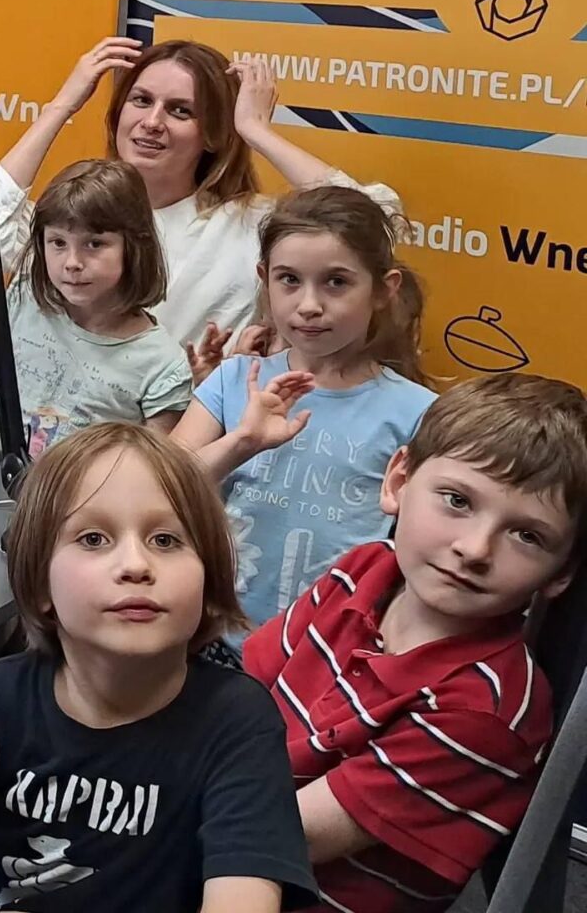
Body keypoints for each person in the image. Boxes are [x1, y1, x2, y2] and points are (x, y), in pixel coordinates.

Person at [0, 422, 317, 913]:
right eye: (94, 538)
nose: (136, 565)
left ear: (209, 581)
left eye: (166, 540)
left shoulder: (236, 721)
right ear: (41, 585)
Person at [244, 374, 587, 913]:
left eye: (527, 535)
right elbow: (235, 699)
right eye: (457, 500)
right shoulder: (362, 571)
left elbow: (288, 836)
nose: (475, 549)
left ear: (561, 571)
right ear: (398, 481)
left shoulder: (486, 707)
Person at [0, 38, 396, 364]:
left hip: (182, 440)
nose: (152, 122)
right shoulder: (82, 214)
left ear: (213, 134)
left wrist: (255, 131)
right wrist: (62, 106)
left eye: (180, 110)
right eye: (141, 101)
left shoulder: (250, 224)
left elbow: (376, 220)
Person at [172, 185, 436, 630]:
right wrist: (242, 442)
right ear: (265, 279)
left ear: (383, 289)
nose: (309, 306)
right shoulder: (234, 379)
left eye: (337, 282)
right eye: (289, 280)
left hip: (325, 649)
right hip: (211, 635)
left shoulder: (418, 413)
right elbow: (160, 488)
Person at [0, 159, 193, 455]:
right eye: (58, 242)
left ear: (134, 248)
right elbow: (11, 383)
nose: (72, 262)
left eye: (94, 244)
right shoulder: (26, 297)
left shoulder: (163, 365)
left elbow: (156, 468)